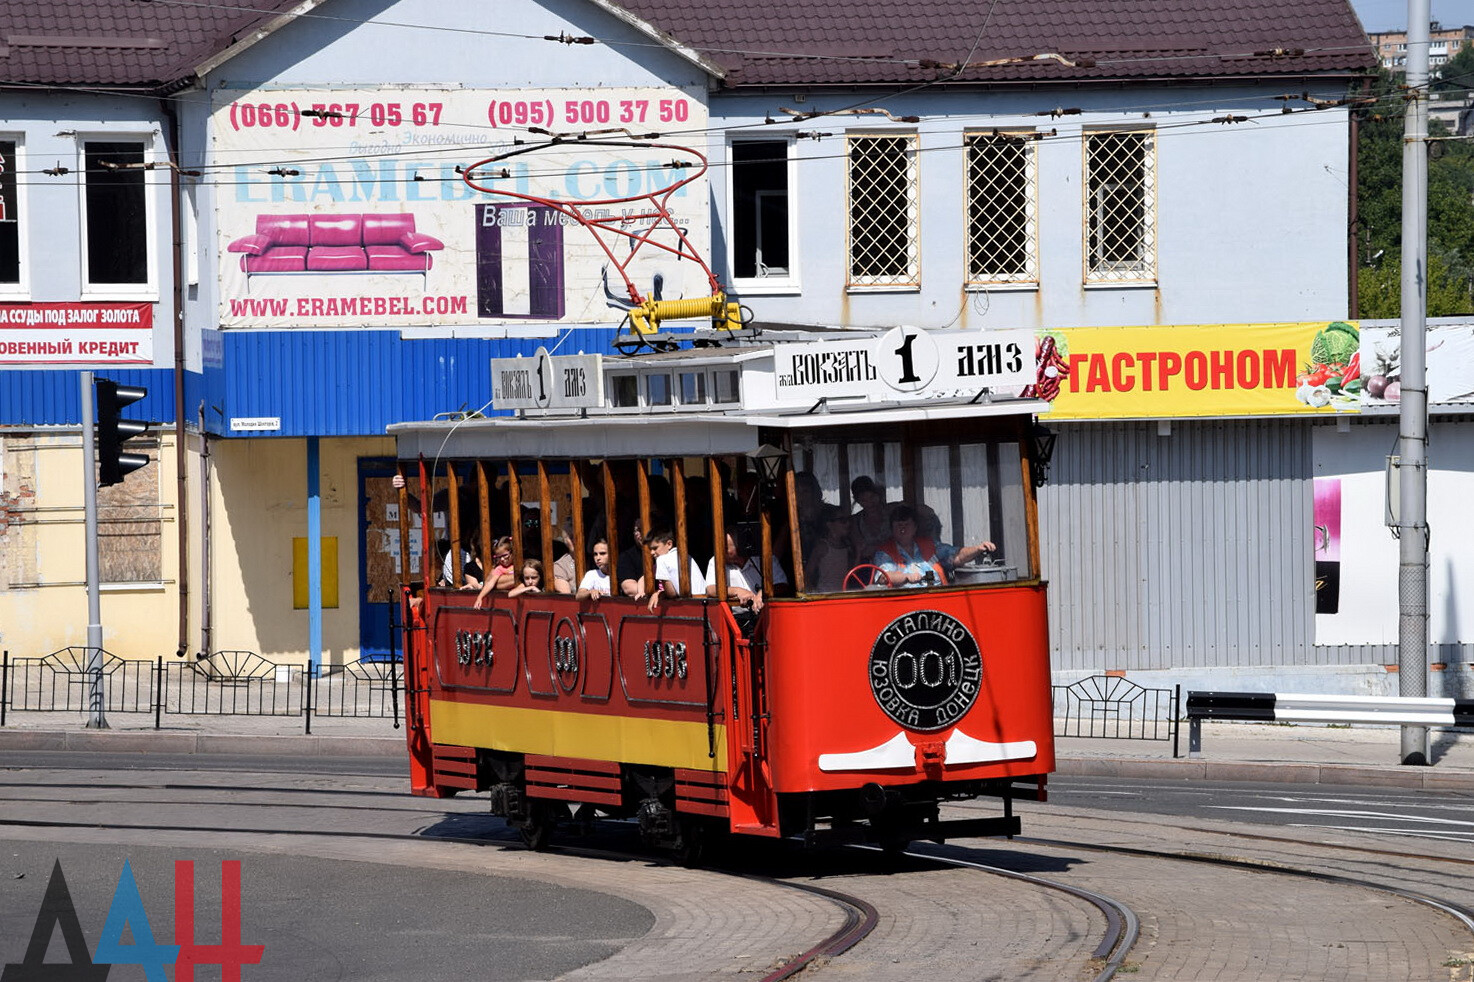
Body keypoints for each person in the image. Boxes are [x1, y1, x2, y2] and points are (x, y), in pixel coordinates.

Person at [873, 505, 994, 588]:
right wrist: (906, 577)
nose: (903, 529)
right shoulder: (884, 552)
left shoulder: (930, 545)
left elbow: (957, 556)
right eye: (898, 525)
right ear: (892, 529)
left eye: (906, 524)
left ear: (915, 527)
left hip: (938, 600)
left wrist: (978, 549)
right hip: (903, 606)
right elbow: (884, 576)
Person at [704, 530, 788, 612]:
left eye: (725, 548)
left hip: (766, 615)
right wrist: (737, 591)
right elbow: (711, 589)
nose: (721, 551)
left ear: (740, 547)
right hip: (734, 619)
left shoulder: (765, 558)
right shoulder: (716, 560)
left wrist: (763, 592)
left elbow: (781, 585)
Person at [646, 528, 707, 612]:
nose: (652, 552)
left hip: (689, 606)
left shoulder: (661, 560)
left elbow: (671, 593)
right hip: (705, 602)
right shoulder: (685, 555)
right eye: (650, 549)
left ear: (669, 544)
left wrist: (659, 593)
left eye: (655, 548)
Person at [804, 504, 853, 593]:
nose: (848, 523)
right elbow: (807, 574)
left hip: (845, 595)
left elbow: (851, 573)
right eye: (842, 520)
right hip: (826, 595)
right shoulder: (822, 546)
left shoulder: (847, 546)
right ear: (829, 524)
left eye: (848, 519)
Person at [849, 475, 891, 563]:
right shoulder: (856, 522)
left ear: (878, 494)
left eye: (872, 497)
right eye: (864, 500)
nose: (870, 503)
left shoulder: (892, 511)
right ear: (858, 501)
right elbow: (862, 551)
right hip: (870, 568)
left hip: (898, 562)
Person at [472, 537, 517, 608]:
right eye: (499, 557)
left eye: (505, 555)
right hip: (506, 602)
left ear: (512, 552)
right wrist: (480, 597)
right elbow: (490, 582)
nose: (502, 559)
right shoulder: (499, 569)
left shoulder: (519, 565)